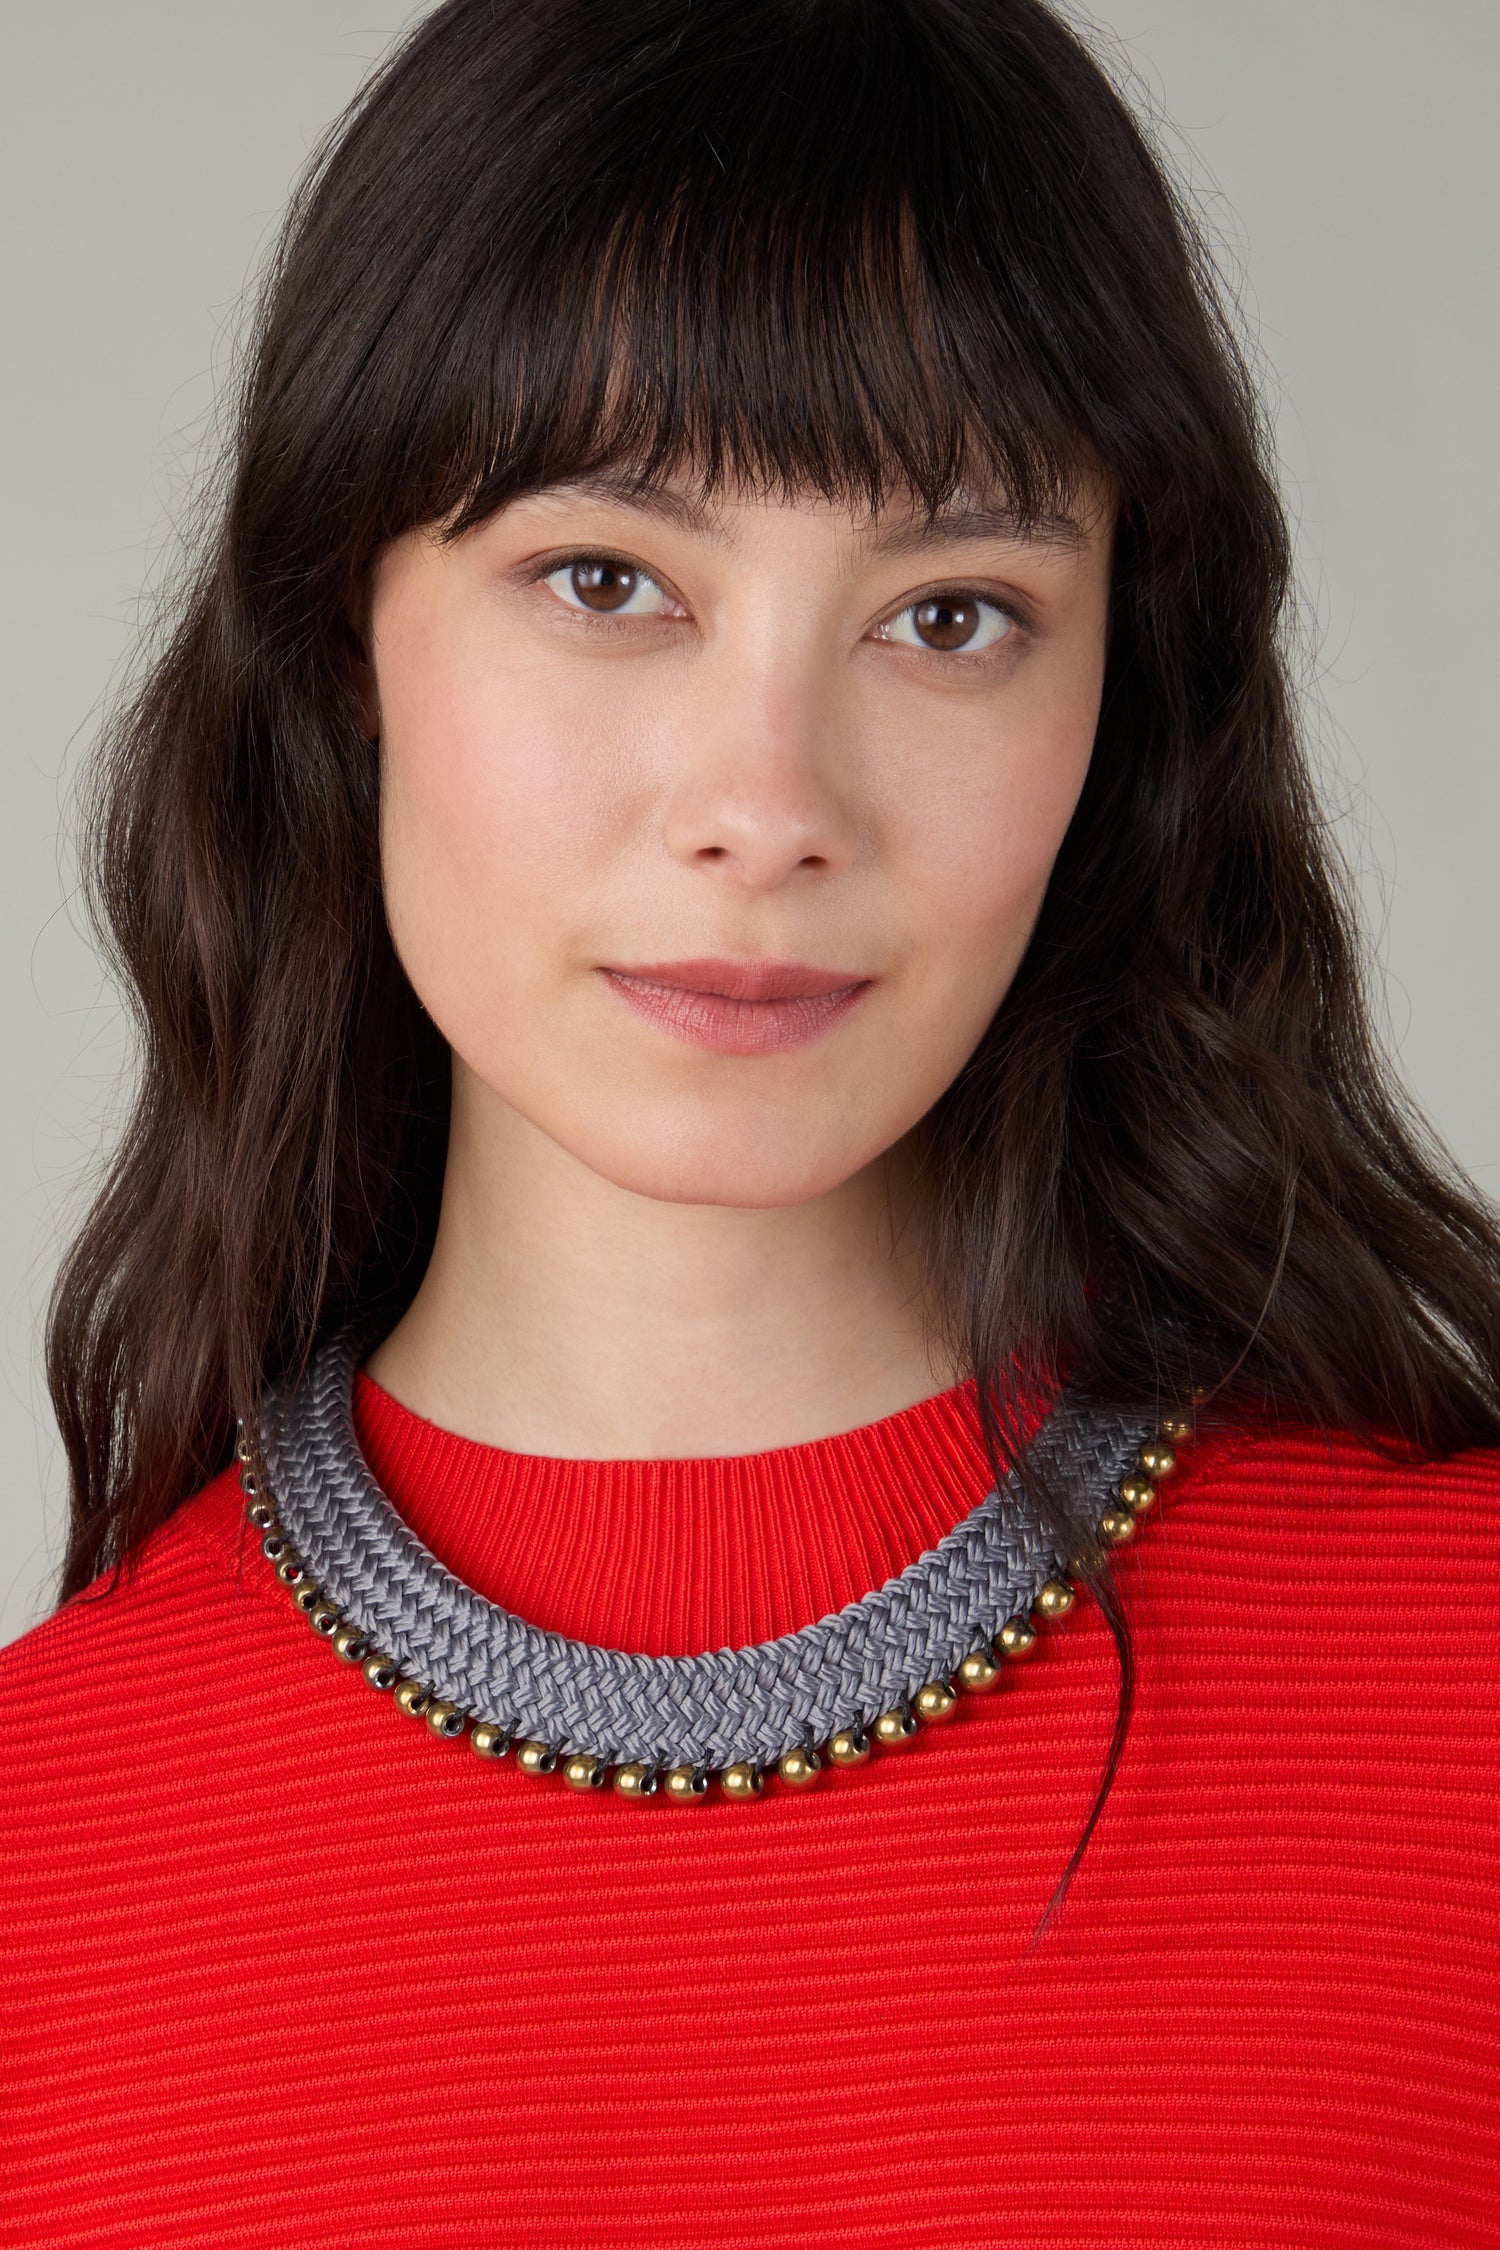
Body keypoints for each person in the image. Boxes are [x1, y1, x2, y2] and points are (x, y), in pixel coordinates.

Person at [2, 0, 1497, 2241]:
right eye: (607, 583)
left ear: (1125, 708)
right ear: (340, 642)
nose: (769, 807)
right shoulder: (44, 1859)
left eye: (954, 616)